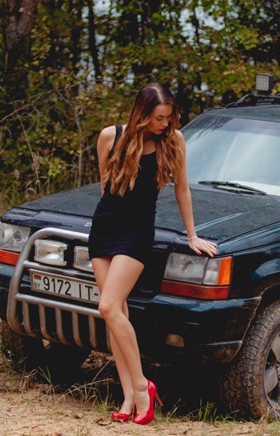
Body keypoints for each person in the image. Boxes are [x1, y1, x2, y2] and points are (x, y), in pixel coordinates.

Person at [88, 82, 218, 425]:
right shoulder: (110, 136)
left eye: (169, 117)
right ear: (142, 114)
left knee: (107, 306)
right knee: (116, 314)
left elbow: (182, 189)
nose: (165, 123)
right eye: (159, 118)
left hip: (136, 232)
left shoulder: (173, 141)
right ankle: (128, 396)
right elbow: (104, 184)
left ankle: (143, 386)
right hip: (104, 228)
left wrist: (192, 235)